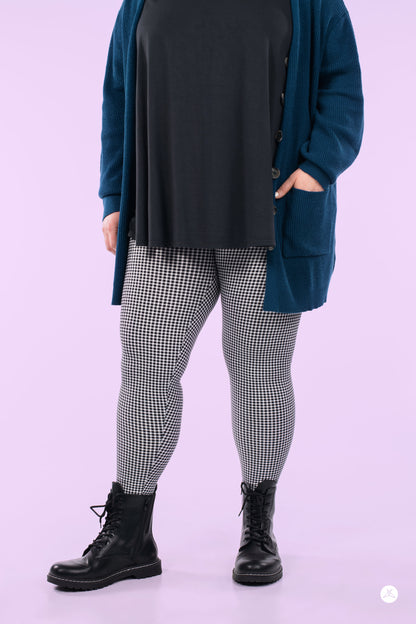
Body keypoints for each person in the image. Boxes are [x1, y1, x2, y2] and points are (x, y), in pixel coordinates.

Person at [47, 0, 364, 591]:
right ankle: (131, 536)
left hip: (269, 220)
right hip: (163, 215)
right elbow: (118, 91)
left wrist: (319, 166)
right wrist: (114, 194)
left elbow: (341, 83)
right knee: (147, 368)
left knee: (260, 372)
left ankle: (258, 529)